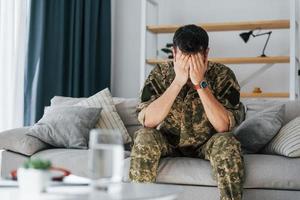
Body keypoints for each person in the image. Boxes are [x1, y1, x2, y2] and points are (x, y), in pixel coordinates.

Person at [129, 24, 246, 200]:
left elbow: (223, 126)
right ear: (174, 53)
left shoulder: (223, 75)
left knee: (227, 142)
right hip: (168, 142)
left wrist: (200, 83)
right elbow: (148, 121)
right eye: (184, 57)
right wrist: (177, 82)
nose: (189, 63)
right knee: (144, 136)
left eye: (195, 58)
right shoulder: (160, 73)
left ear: (206, 54)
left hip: (207, 144)